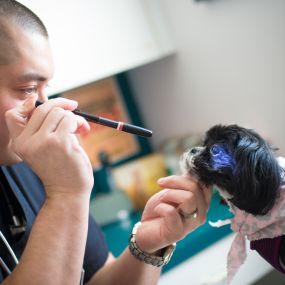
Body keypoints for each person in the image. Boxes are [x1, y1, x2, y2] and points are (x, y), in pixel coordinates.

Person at [0, 1, 212, 284]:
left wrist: (148, 245)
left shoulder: (32, 162)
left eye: (44, 89)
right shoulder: (55, 177)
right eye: (27, 89)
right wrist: (66, 193)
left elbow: (100, 278)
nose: (43, 108)